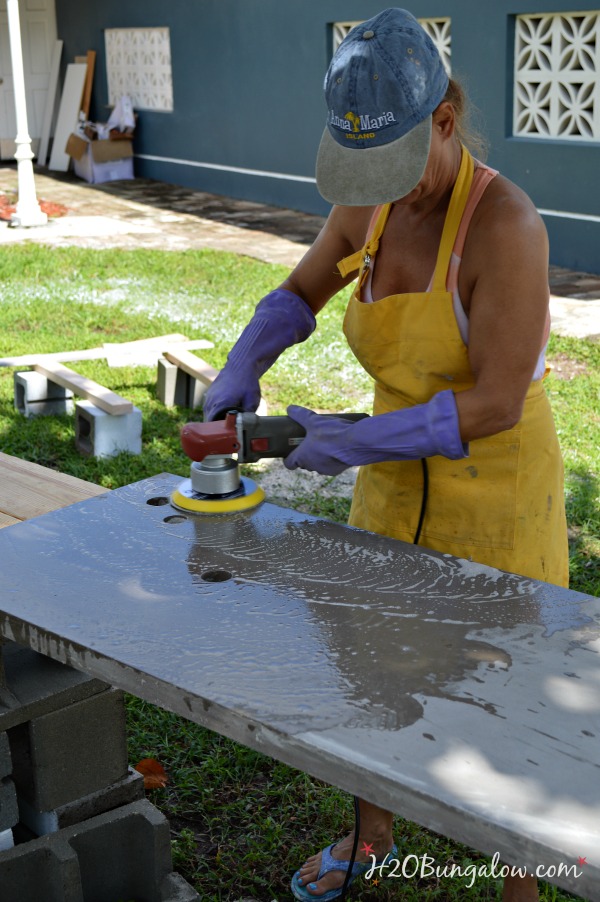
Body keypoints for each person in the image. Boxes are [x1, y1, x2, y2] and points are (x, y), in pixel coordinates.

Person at [203, 8, 568, 901]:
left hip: (496, 494)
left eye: (401, 166)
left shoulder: (505, 228)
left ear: (444, 117)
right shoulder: (368, 197)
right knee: (368, 667)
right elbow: (303, 288)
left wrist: (347, 438)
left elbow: (492, 401)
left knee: (502, 702)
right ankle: (371, 841)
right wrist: (246, 357)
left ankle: (520, 888)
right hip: (388, 478)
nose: (388, 192)